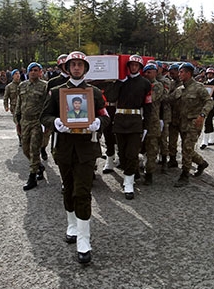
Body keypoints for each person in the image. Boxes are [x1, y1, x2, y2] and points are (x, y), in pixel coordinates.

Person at [40, 51, 109, 264]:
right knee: (68, 189)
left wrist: (98, 123)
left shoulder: (95, 92)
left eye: (80, 64)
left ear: (85, 68)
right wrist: (55, 124)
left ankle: (84, 238)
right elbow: (45, 116)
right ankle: (71, 225)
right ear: (67, 68)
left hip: (87, 149)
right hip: (65, 149)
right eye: (73, 65)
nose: (77, 68)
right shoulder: (56, 91)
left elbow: (105, 116)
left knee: (82, 191)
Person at [112, 54, 151, 200]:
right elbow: (110, 97)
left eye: (136, 65)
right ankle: (129, 175)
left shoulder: (145, 83)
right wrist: (118, 82)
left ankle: (129, 183)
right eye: (131, 65)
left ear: (140, 68)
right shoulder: (120, 81)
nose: (134, 67)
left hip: (135, 121)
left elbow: (148, 106)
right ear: (128, 66)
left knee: (132, 153)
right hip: (120, 120)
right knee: (122, 154)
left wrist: (146, 125)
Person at [170, 62, 213, 187]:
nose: (179, 74)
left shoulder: (199, 87)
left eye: (181, 72)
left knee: (187, 148)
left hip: (194, 123)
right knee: (186, 148)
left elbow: (209, 102)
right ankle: (201, 163)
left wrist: (202, 115)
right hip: (181, 123)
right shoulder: (180, 89)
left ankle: (184, 175)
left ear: (188, 73)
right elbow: (169, 99)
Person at [17, 62, 48, 191]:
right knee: (25, 149)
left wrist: (46, 124)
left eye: (36, 70)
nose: (34, 72)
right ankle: (39, 166)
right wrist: (17, 122)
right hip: (25, 122)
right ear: (28, 72)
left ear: (40, 72)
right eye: (31, 70)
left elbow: (47, 105)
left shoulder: (45, 86)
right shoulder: (22, 85)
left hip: (37, 122)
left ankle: (32, 176)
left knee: (34, 148)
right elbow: (19, 104)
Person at [141, 62, 165, 185]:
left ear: (155, 72)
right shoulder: (142, 84)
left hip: (152, 122)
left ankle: (149, 173)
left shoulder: (157, 85)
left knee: (151, 149)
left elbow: (151, 98)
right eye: (145, 72)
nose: (146, 74)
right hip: (140, 121)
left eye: (149, 72)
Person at [199, 67, 214, 149]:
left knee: (207, 121)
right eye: (208, 74)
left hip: (213, 104)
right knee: (209, 121)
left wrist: (212, 98)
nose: (209, 75)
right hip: (204, 104)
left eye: (211, 74)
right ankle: (212, 138)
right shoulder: (204, 83)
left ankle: (204, 141)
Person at [4, 69, 22, 146]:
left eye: (18, 74)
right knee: (18, 123)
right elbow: (5, 97)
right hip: (14, 107)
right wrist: (6, 106)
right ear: (12, 76)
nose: (18, 75)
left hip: (23, 107)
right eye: (16, 74)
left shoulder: (23, 85)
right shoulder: (9, 86)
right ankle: (20, 138)